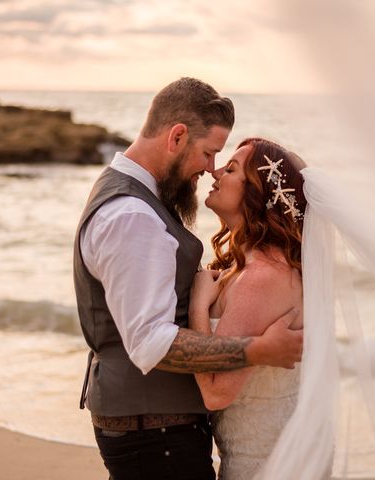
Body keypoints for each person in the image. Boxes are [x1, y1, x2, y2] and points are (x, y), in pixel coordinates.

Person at [73, 78, 303, 480]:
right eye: (209, 153)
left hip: (156, 432)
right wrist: (257, 351)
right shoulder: (133, 216)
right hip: (155, 437)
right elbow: (150, 342)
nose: (211, 168)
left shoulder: (137, 200)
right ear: (177, 136)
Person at [189, 137, 332, 480]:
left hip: (265, 467)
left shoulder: (265, 276)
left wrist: (197, 304)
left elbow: (216, 392)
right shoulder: (246, 267)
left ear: (257, 195)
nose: (216, 171)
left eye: (232, 168)